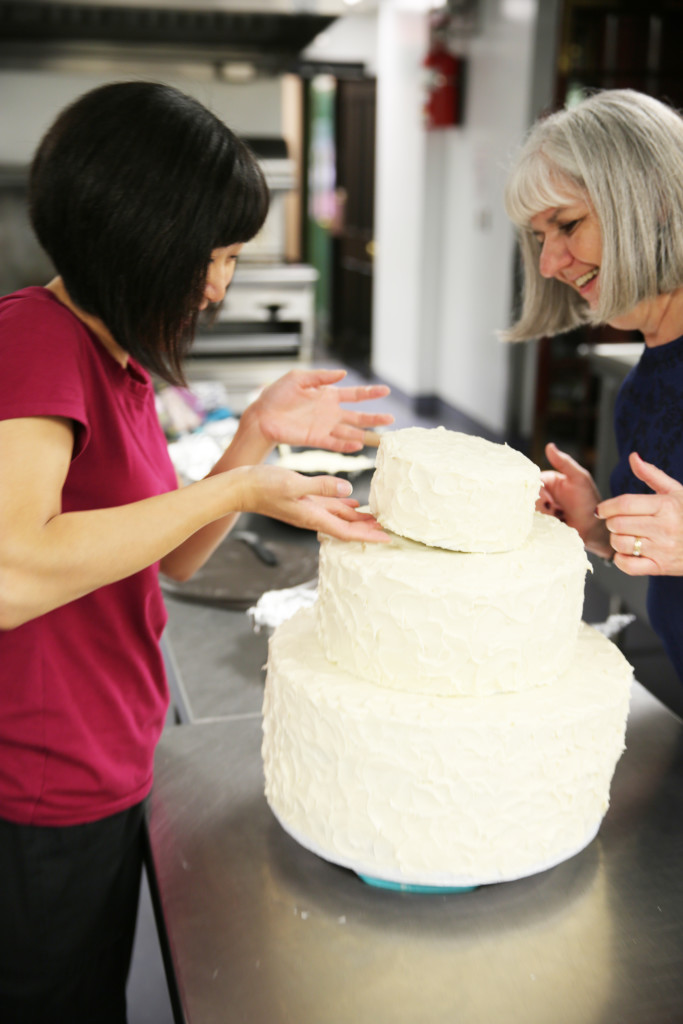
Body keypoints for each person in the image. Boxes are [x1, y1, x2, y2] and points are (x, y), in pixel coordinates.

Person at [0, 81, 393, 1022]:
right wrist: (242, 489)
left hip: (104, 757)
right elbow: (11, 571)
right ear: (142, 235)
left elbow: (169, 558)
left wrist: (254, 435)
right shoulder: (33, 342)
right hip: (39, 779)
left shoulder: (115, 358)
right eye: (215, 256)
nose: (220, 284)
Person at [502, 88, 683, 686]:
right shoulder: (640, 394)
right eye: (539, 237)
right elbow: (660, 552)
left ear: (651, 201)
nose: (551, 263)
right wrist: (596, 528)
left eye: (568, 225)